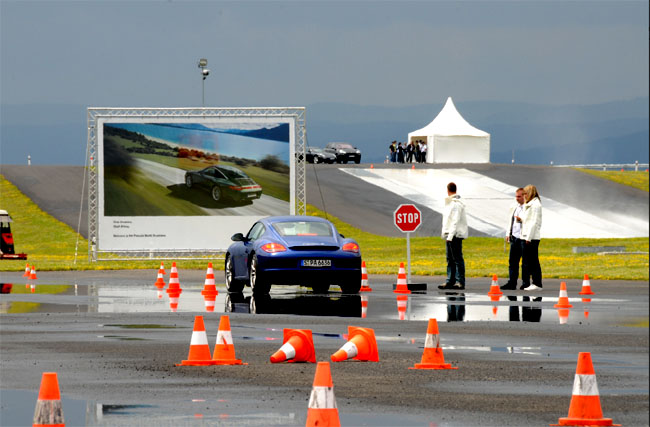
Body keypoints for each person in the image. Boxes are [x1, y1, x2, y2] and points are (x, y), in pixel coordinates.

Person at [438, 182, 468, 290]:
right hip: (450, 234)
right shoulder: (450, 204)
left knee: (457, 259)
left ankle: (460, 281)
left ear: (448, 190)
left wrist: (450, 236)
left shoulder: (455, 204)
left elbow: (454, 221)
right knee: (450, 259)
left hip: (454, 235)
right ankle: (450, 280)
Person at [500, 188, 525, 290]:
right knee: (512, 262)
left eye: (519, 196)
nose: (517, 199)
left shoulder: (527, 208)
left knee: (525, 263)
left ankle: (525, 282)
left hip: (523, 238)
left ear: (524, 196)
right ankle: (512, 282)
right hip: (514, 237)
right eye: (516, 196)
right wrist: (508, 233)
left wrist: (522, 220)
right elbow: (510, 221)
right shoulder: (515, 207)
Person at [520, 184, 543, 291]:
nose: (524, 196)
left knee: (533, 260)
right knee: (530, 260)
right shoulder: (529, 204)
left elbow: (533, 222)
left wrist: (528, 238)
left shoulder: (535, 205)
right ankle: (533, 283)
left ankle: (537, 283)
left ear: (530, 193)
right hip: (527, 236)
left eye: (525, 193)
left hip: (532, 237)